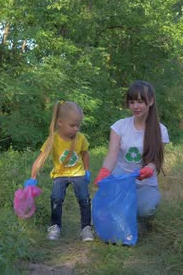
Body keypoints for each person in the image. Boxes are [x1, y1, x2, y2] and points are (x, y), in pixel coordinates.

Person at [94, 81, 170, 231]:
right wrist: (104, 172)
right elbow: (112, 155)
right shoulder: (119, 126)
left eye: (141, 102)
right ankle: (126, 216)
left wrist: (150, 168)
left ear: (151, 101)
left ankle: (144, 218)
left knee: (144, 209)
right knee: (104, 214)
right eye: (132, 102)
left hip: (145, 185)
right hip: (120, 182)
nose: (136, 106)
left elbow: (157, 160)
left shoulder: (161, 130)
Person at [24, 101, 94, 242]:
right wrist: (33, 177)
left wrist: (87, 170)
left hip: (78, 173)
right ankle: (55, 226)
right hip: (59, 175)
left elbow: (85, 154)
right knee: (56, 199)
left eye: (78, 125)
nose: (76, 129)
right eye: (72, 125)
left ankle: (86, 228)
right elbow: (41, 158)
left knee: (84, 200)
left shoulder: (80, 138)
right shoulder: (53, 139)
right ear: (60, 122)